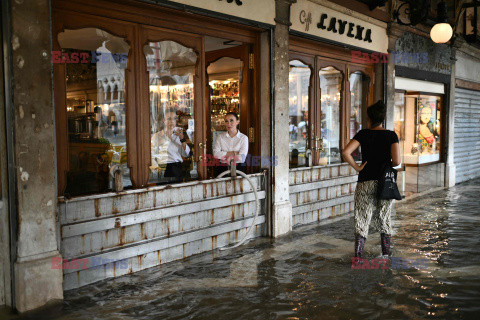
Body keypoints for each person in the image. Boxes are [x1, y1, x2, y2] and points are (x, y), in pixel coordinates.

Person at [341, 100, 401, 258]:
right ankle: (385, 255)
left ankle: (358, 258)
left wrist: (358, 167)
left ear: (369, 118)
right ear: (382, 118)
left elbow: (346, 152)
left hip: (365, 181)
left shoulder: (363, 134)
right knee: (384, 217)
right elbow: (396, 161)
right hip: (385, 182)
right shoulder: (391, 135)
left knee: (361, 218)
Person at [151, 108, 190, 183]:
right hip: (162, 168)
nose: (171, 122)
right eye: (169, 119)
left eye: (174, 119)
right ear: (163, 120)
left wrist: (182, 139)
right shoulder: (157, 136)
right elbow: (151, 155)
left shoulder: (179, 135)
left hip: (176, 168)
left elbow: (186, 154)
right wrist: (156, 168)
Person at [213, 112, 248, 177]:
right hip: (222, 169)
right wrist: (234, 153)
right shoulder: (220, 137)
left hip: (239, 169)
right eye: (226, 121)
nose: (229, 124)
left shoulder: (243, 138)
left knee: (238, 187)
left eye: (231, 121)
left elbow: (242, 158)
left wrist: (224, 154)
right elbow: (216, 154)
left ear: (237, 122)